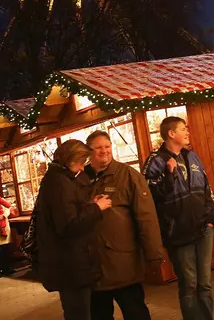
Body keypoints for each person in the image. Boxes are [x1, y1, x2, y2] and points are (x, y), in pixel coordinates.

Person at [143, 117, 214, 320]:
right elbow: (150, 196)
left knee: (205, 283)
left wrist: (211, 217)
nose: (187, 132)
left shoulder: (192, 156)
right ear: (171, 134)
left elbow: (206, 187)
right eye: (183, 129)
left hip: (203, 227)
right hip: (177, 230)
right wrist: (169, 175)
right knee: (190, 284)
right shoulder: (155, 160)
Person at [85, 130, 164, 320]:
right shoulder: (80, 178)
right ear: (89, 151)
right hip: (93, 267)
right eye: (98, 147)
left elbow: (146, 216)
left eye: (107, 146)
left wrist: (154, 254)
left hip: (123, 263)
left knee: (135, 312)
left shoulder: (128, 175)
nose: (104, 151)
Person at [34, 139, 112, 320]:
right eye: (80, 162)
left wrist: (89, 205)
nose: (82, 168)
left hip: (69, 263)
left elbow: (67, 214)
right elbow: (68, 225)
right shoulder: (60, 183)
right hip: (70, 265)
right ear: (69, 160)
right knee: (78, 313)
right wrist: (96, 208)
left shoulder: (57, 179)